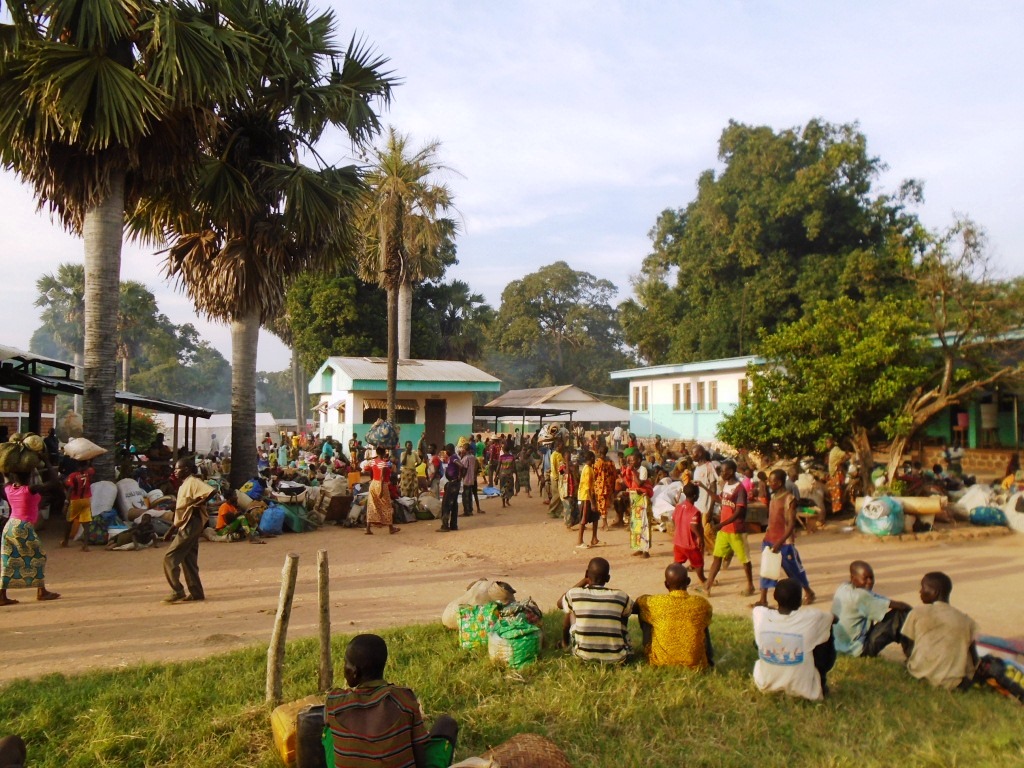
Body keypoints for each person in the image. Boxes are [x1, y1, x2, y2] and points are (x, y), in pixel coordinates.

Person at [326, 634, 459, 768]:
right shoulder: (403, 698)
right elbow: (420, 757)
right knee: (446, 724)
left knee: (328, 732)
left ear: (354, 672)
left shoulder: (335, 701)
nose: (344, 667)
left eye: (345, 663)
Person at [753, 578, 835, 701]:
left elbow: (763, 610)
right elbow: (834, 619)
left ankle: (774, 671)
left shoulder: (759, 613)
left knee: (763, 638)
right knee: (827, 630)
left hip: (765, 684)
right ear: (799, 601)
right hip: (804, 689)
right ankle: (821, 679)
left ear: (775, 596)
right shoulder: (813, 617)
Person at [902, 572, 979, 690]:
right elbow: (974, 658)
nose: (920, 592)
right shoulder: (967, 621)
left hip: (920, 675)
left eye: (923, 587)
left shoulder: (917, 613)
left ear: (935, 592)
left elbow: (907, 645)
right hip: (953, 683)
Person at [633, 563, 713, 669]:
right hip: (695, 663)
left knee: (645, 612)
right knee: (701, 622)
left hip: (661, 661)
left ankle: (649, 650)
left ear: (666, 584)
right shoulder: (702, 604)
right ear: (688, 582)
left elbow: (638, 602)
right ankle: (709, 657)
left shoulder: (654, 603)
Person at [754, 469, 815, 608]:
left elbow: (791, 524)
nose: (769, 483)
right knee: (766, 569)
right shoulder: (774, 496)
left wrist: (780, 542)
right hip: (770, 538)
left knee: (792, 570)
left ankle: (809, 592)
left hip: (784, 542)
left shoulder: (789, 499)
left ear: (780, 482)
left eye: (772, 481)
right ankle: (763, 599)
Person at [557, 557, 633, 664]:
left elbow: (560, 603)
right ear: (608, 578)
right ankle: (617, 642)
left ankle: (565, 643)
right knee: (623, 611)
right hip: (618, 657)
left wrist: (584, 581)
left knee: (570, 609)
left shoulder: (575, 594)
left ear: (587, 573)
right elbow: (629, 612)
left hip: (583, 656)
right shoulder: (621, 596)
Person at [1, 470, 61, 606]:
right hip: (23, 526)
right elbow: (54, 483)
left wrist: (7, 467)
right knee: (39, 556)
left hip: (10, 526)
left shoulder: (9, 488)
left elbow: (5, 475)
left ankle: (2, 595)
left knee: (8, 558)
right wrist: (47, 461)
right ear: (29, 477)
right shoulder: (30, 489)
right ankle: (42, 591)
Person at [831, 560, 912, 657]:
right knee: (900, 616)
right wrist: (913, 612)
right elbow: (901, 606)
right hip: (856, 650)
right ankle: (912, 655)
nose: (869, 582)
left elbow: (877, 598)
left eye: (871, 577)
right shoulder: (860, 597)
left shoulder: (843, 588)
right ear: (853, 578)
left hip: (839, 647)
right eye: (865, 578)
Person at [162, 458, 215, 603]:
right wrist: (172, 529)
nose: (175, 471)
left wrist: (199, 503)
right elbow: (183, 511)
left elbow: (211, 491)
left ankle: (177, 591)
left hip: (192, 523)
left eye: (177, 469)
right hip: (187, 523)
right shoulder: (185, 485)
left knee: (170, 557)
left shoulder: (193, 482)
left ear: (186, 470)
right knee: (188, 558)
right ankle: (196, 592)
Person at [704, 460, 755, 597]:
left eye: (723, 471)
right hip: (724, 531)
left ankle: (750, 585)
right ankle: (708, 585)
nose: (721, 473)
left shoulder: (740, 489)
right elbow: (720, 500)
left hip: (736, 530)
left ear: (731, 472)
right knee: (717, 557)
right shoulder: (726, 485)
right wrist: (704, 487)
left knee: (745, 559)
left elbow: (738, 513)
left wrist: (720, 525)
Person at [672, 483, 706, 586]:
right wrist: (700, 537)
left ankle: (674, 580)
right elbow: (694, 526)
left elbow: (673, 519)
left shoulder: (678, 507)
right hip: (690, 543)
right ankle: (703, 580)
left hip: (678, 541)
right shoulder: (695, 511)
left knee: (677, 562)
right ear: (695, 496)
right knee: (698, 563)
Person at [362, 448, 399, 535]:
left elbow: (365, 468)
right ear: (383, 453)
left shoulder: (373, 461)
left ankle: (368, 528)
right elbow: (382, 477)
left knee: (371, 505)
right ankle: (391, 528)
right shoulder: (383, 463)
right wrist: (381, 490)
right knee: (387, 505)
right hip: (381, 485)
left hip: (373, 484)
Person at [62, 459, 94, 550]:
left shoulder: (73, 475)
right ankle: (86, 545)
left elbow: (70, 487)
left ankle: (65, 541)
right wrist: (91, 459)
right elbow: (91, 468)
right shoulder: (89, 473)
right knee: (86, 523)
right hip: (86, 500)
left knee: (69, 521)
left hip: (75, 500)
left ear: (77, 465)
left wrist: (66, 502)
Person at [692, 446, 718, 555]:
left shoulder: (709, 467)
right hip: (697, 505)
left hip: (706, 506)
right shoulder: (697, 468)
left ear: (701, 453)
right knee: (697, 533)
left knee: (707, 532)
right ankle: (698, 559)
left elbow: (713, 488)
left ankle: (720, 553)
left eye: (695, 453)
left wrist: (711, 507)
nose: (693, 456)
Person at [575, 451, 600, 548]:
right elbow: (587, 488)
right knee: (583, 519)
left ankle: (594, 538)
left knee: (595, 517)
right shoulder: (587, 470)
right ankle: (579, 541)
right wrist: (592, 503)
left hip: (590, 497)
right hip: (585, 497)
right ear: (592, 458)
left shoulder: (589, 469)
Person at [593, 444, 616, 530]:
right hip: (608, 486)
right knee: (604, 505)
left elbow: (594, 474)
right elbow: (614, 474)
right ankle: (604, 523)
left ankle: (605, 524)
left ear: (599, 452)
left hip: (600, 487)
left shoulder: (598, 462)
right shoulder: (610, 462)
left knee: (602, 506)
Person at [825, 436, 848, 516]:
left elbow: (846, 455)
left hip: (837, 474)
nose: (827, 444)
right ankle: (836, 510)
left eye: (828, 442)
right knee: (833, 493)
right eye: (826, 443)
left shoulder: (836, 450)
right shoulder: (831, 451)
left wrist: (840, 463)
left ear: (832, 442)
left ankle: (839, 511)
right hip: (833, 474)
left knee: (837, 493)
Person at [459, 442, 480, 518]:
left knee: (465, 496)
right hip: (472, 479)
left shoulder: (465, 458)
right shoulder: (473, 457)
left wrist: (461, 476)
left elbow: (463, 468)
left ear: (465, 450)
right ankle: (470, 510)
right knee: (470, 495)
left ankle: (466, 511)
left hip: (466, 479)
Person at [547, 439, 565, 519]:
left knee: (561, 494)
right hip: (555, 477)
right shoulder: (554, 455)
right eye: (561, 445)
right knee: (556, 495)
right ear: (558, 446)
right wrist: (556, 477)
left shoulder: (560, 454)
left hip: (560, 477)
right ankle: (551, 510)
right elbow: (553, 467)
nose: (563, 447)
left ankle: (558, 512)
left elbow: (562, 466)